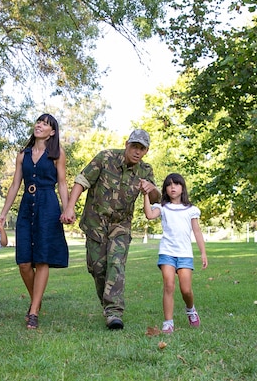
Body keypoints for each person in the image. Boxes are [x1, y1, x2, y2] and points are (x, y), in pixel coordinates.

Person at [61, 129, 160, 330]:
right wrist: (70, 207)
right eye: (134, 146)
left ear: (146, 151)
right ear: (126, 144)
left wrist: (152, 190)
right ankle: (107, 305)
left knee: (116, 264)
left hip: (121, 225)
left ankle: (114, 312)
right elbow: (82, 181)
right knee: (97, 268)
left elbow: (157, 199)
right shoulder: (106, 158)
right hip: (96, 222)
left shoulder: (145, 171)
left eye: (142, 148)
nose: (137, 152)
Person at [0, 114, 69, 330]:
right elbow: (14, 186)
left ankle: (34, 310)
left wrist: (67, 209)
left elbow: (63, 184)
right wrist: (3, 212)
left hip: (48, 205)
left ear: (52, 132)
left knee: (42, 260)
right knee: (24, 262)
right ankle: (36, 300)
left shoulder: (57, 154)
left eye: (46, 124)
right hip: (27, 206)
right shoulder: (22, 155)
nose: (40, 125)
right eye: (39, 122)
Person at [143, 173, 208, 334]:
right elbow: (149, 215)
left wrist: (203, 253)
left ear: (182, 188)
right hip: (167, 252)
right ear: (165, 188)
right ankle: (168, 323)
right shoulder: (162, 207)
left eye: (176, 184)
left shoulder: (191, 209)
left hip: (185, 254)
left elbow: (197, 232)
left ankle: (190, 309)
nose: (173, 187)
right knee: (169, 285)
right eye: (169, 184)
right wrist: (145, 195)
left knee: (186, 290)